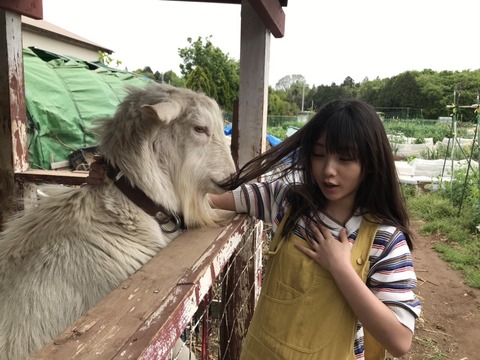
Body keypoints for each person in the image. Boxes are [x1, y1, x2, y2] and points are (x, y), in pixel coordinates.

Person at [86, 98, 421, 360]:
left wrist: (341, 269)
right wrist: (122, 183)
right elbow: (209, 199)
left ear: (370, 163)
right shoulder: (288, 202)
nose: (328, 171)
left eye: (345, 160)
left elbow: (400, 339)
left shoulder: (385, 240)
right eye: (318, 155)